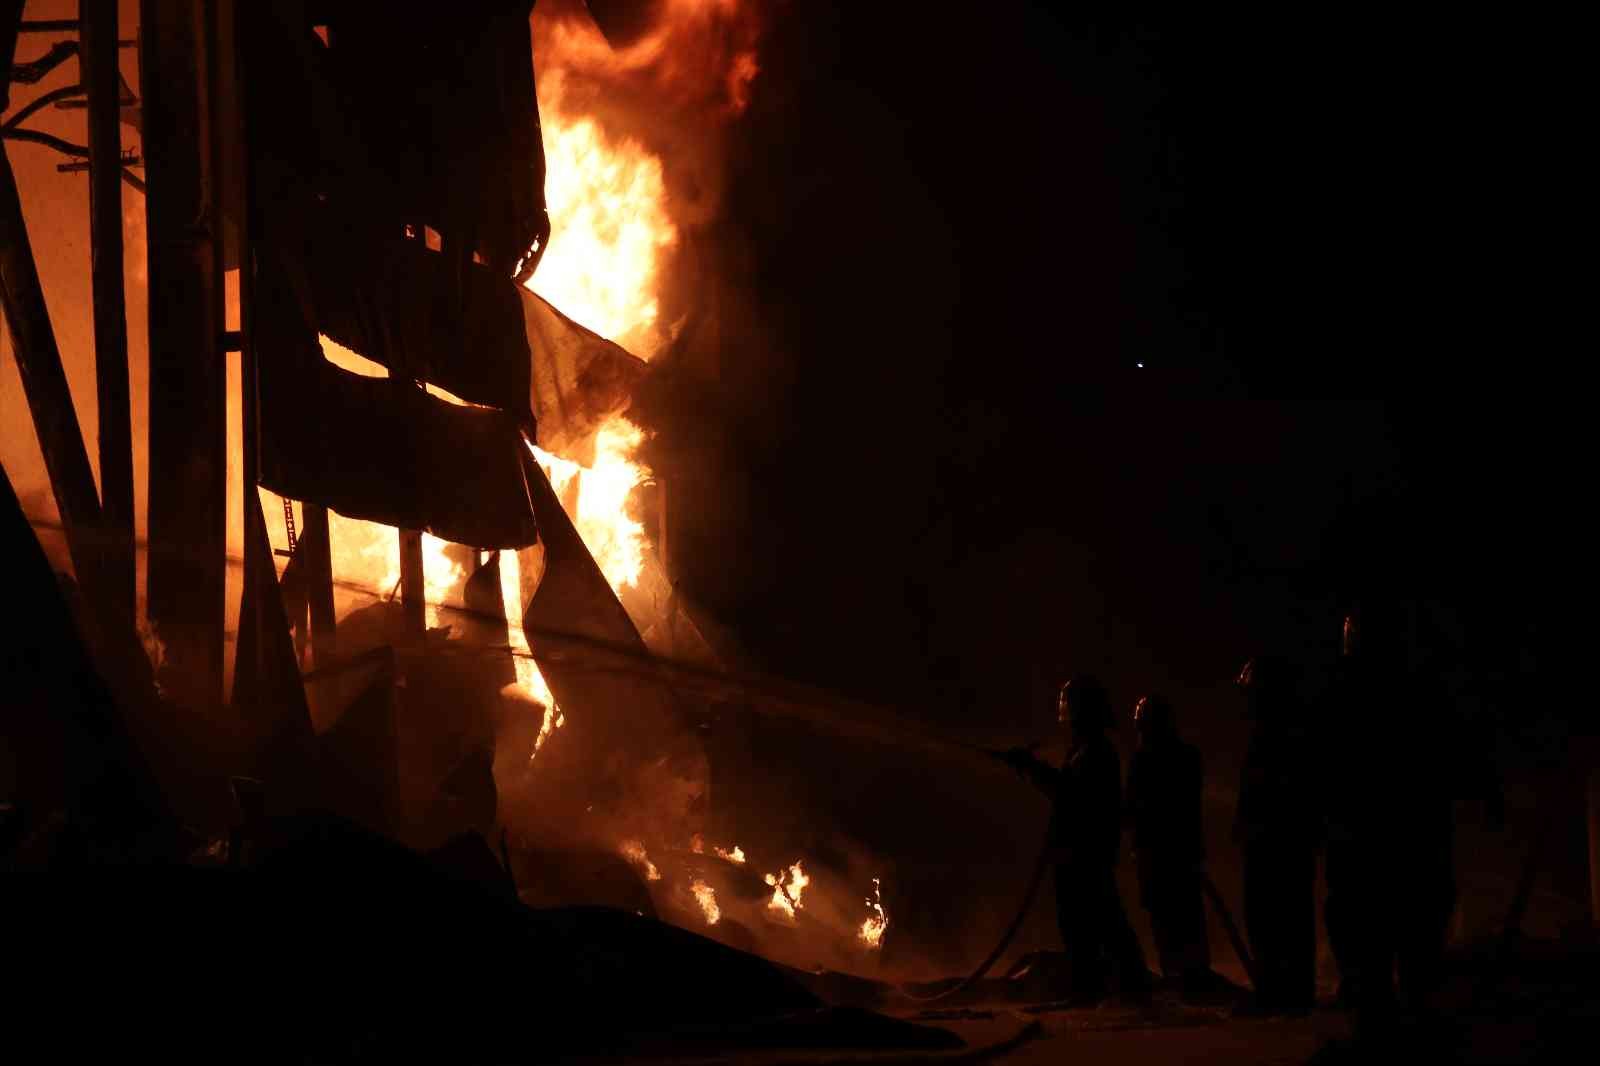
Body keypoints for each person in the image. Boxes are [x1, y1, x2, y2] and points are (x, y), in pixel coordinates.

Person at [1003, 676, 1152, 1005]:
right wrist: (1031, 769)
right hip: (1081, 854)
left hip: (1085, 855)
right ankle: (1113, 986)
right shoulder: (1089, 751)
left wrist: (1030, 768)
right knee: (1092, 924)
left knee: (1092, 925)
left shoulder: (1095, 753)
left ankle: (1113, 989)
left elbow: (1069, 794)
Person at [1234, 655, 1319, 1013]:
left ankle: (1281, 993)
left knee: (1276, 919)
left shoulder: (1281, 736)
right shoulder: (1281, 732)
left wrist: (1256, 826)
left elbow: (1276, 791)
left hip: (1277, 844)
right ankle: (1286, 991)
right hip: (1278, 842)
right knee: (1281, 918)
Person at [1126, 693, 1211, 997]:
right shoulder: (1188, 757)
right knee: (1183, 917)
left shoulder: (1144, 761)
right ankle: (1191, 977)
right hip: (1178, 854)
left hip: (1159, 856)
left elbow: (1135, 809)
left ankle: (1184, 978)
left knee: (1168, 918)